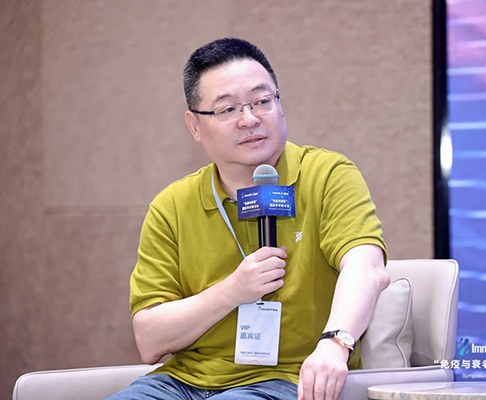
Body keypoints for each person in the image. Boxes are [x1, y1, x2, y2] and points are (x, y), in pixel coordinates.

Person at [106, 38, 389, 400]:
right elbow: (149, 339)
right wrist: (232, 291)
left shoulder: (327, 175)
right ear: (195, 126)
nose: (250, 119)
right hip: (180, 383)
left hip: (289, 380)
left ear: (280, 105)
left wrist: (336, 343)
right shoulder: (171, 206)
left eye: (262, 101)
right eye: (228, 109)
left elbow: (367, 267)